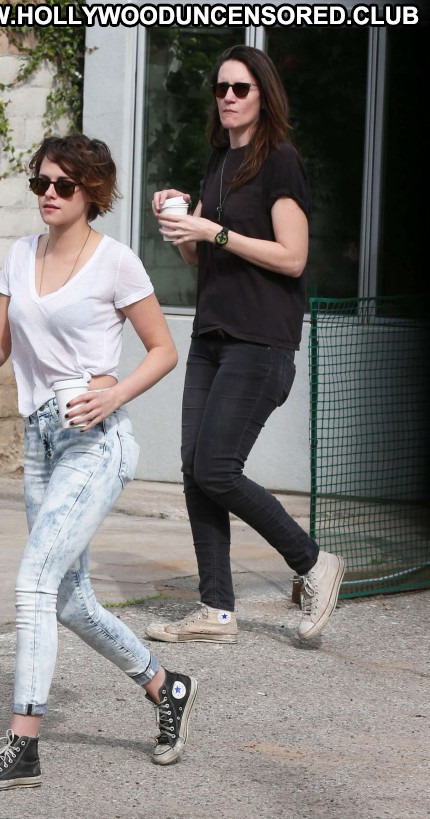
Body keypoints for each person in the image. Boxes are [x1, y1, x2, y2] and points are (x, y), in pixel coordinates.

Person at [0, 134, 197, 791]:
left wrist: (114, 392)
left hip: (94, 437)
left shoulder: (115, 263)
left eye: (63, 185)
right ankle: (166, 686)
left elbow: (163, 349)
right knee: (68, 600)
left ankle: (23, 745)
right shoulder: (18, 256)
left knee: (33, 579)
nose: (48, 194)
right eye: (40, 183)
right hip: (40, 440)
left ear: (93, 191)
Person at [146, 45, 345, 646]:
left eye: (241, 88)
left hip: (260, 340)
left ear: (264, 96)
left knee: (216, 467)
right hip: (212, 334)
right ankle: (216, 610)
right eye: (221, 88)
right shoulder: (218, 161)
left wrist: (215, 230)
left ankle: (314, 562)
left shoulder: (280, 160)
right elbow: (198, 256)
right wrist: (181, 223)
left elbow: (293, 257)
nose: (228, 97)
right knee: (195, 470)